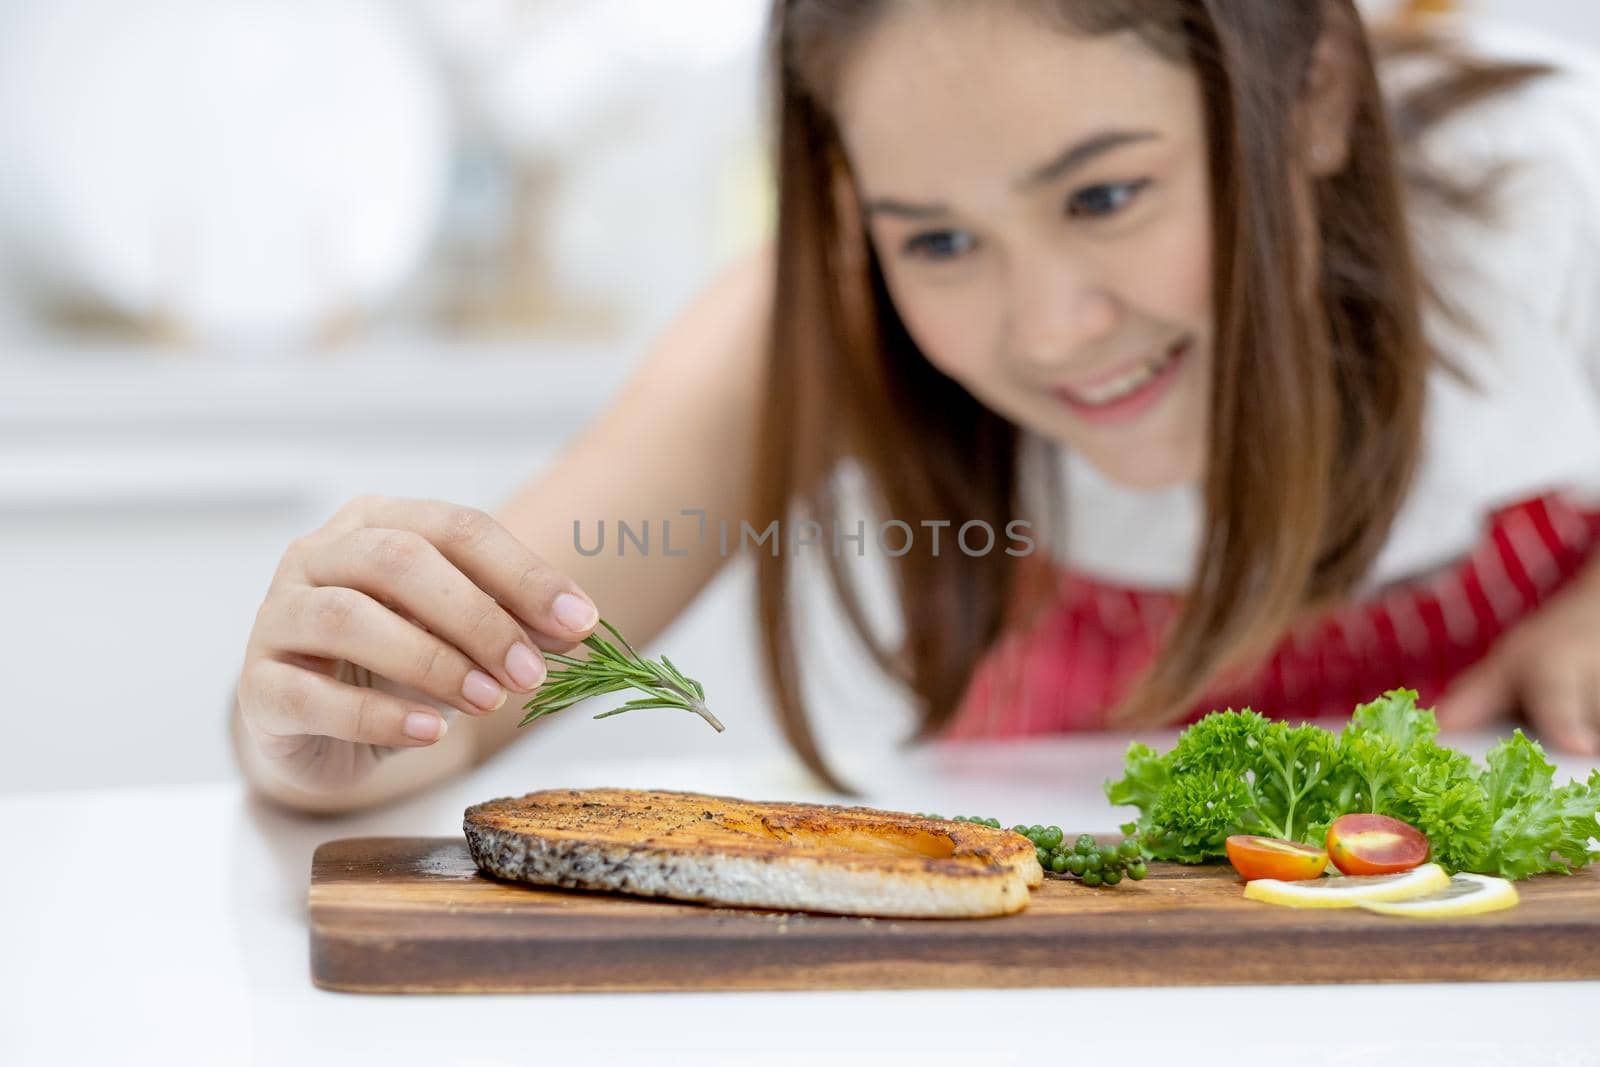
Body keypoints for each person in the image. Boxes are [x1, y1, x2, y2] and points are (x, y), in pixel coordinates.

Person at [232, 0, 1600, 813]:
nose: (1052, 329)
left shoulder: (1551, 196)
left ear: (1312, 98)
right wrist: (345, 710)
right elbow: (495, 656)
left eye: (1107, 195)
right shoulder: (818, 315)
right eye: (938, 239)